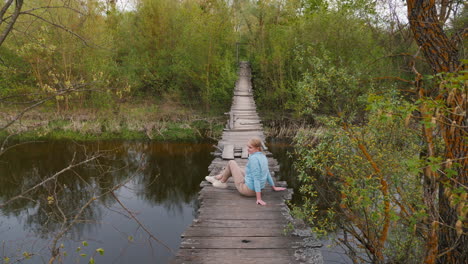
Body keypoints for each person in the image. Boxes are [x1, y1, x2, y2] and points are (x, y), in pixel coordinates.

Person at [205, 137, 286, 205]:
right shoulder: (263, 157)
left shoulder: (254, 159)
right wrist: (273, 187)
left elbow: (256, 178)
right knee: (238, 168)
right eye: (248, 147)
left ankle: (221, 182)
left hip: (247, 190)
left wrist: (259, 198)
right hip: (256, 188)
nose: (248, 149)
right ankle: (218, 176)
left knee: (231, 163)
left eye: (250, 147)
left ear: (257, 148)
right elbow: (267, 173)